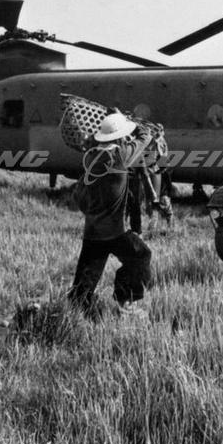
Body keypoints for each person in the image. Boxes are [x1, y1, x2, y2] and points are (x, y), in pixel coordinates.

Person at [67, 112, 154, 318]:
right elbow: (145, 136)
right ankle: (125, 301)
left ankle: (76, 317)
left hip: (92, 231)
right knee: (141, 255)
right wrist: (135, 123)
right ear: (120, 136)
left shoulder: (90, 158)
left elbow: (79, 196)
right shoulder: (120, 156)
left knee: (83, 285)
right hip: (115, 232)